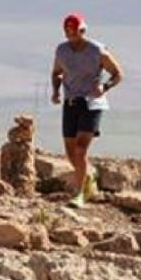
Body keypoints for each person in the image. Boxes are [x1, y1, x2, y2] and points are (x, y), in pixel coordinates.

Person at [50, 13, 124, 208]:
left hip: (92, 103)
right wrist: (56, 91)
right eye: (68, 32)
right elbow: (56, 73)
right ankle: (88, 177)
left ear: (83, 30)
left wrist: (105, 87)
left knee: (81, 150)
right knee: (70, 152)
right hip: (71, 102)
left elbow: (118, 74)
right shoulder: (62, 50)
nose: (71, 36)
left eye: (75, 32)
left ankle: (80, 194)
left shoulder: (97, 51)